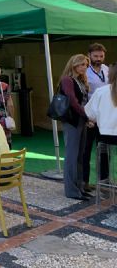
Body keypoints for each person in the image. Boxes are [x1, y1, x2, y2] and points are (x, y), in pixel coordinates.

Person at [59, 54, 91, 200]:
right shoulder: (67, 79)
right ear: (74, 65)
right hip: (72, 121)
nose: (85, 67)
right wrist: (86, 116)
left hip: (81, 120)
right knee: (72, 156)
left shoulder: (80, 80)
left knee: (80, 155)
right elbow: (72, 100)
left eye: (86, 64)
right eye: (82, 64)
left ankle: (79, 187)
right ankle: (71, 191)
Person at [85, 62, 117, 183]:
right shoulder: (102, 91)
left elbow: (89, 114)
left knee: (103, 153)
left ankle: (104, 179)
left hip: (105, 135)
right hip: (108, 135)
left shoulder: (101, 91)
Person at [83, 43, 109, 192]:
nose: (98, 59)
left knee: (104, 149)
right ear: (89, 55)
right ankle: (84, 182)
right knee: (86, 150)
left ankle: (104, 181)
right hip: (90, 117)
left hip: (104, 117)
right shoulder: (85, 71)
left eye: (101, 56)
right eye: (95, 56)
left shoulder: (107, 70)